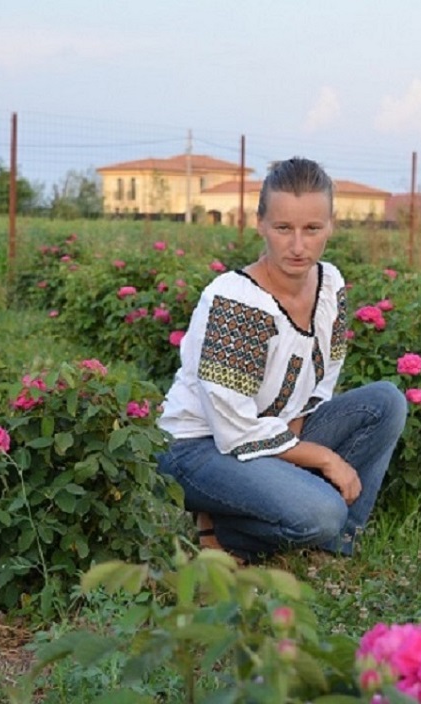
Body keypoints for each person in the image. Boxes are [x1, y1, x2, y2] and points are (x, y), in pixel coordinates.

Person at [156, 157, 407, 564]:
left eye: (312, 229)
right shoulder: (237, 301)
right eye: (283, 228)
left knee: (386, 402)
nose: (298, 246)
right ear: (260, 224)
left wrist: (292, 442)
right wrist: (324, 458)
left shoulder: (330, 285)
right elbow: (234, 431)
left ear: (331, 224)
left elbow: (322, 382)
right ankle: (225, 528)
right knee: (321, 510)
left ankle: (332, 545)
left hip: (269, 433)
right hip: (199, 450)